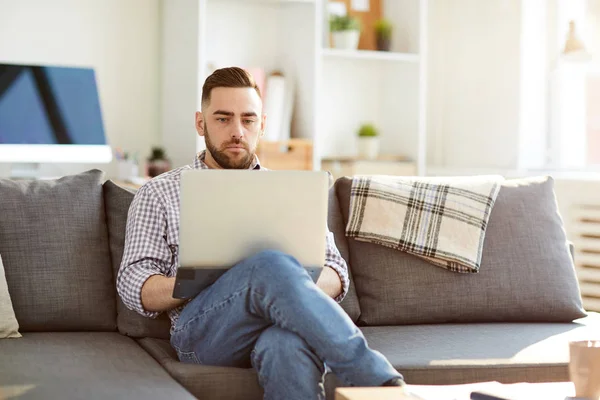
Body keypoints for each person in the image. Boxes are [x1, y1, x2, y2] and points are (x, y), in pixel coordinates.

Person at [116, 67, 404, 400]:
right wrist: (217, 275)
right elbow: (134, 286)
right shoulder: (160, 193)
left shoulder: (289, 191)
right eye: (223, 119)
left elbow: (336, 275)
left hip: (276, 326)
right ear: (200, 123)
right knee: (267, 265)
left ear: (262, 125)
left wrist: (284, 284)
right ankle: (376, 380)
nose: (237, 131)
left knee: (287, 344)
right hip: (203, 336)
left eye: (248, 120)